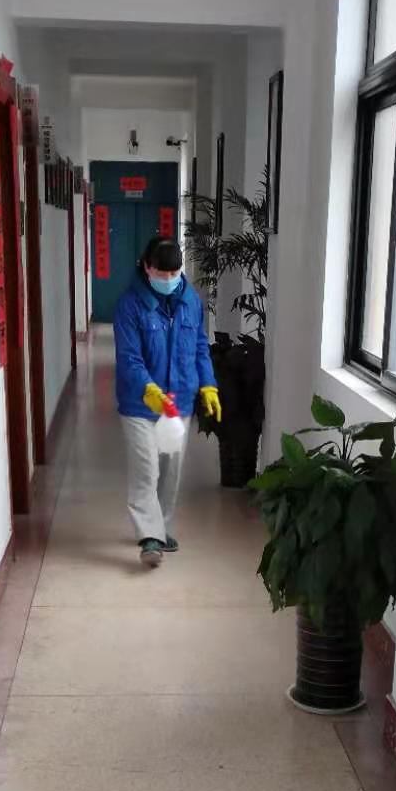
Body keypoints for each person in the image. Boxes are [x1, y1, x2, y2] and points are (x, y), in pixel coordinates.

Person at [113, 236, 221, 566]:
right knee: (147, 470)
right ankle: (150, 537)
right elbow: (129, 357)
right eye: (162, 273)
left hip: (179, 402)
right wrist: (148, 389)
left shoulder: (191, 301)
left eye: (174, 273)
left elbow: (200, 346)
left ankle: (160, 526)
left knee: (170, 471)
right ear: (147, 267)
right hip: (141, 403)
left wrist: (208, 385)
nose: (169, 279)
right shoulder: (130, 305)